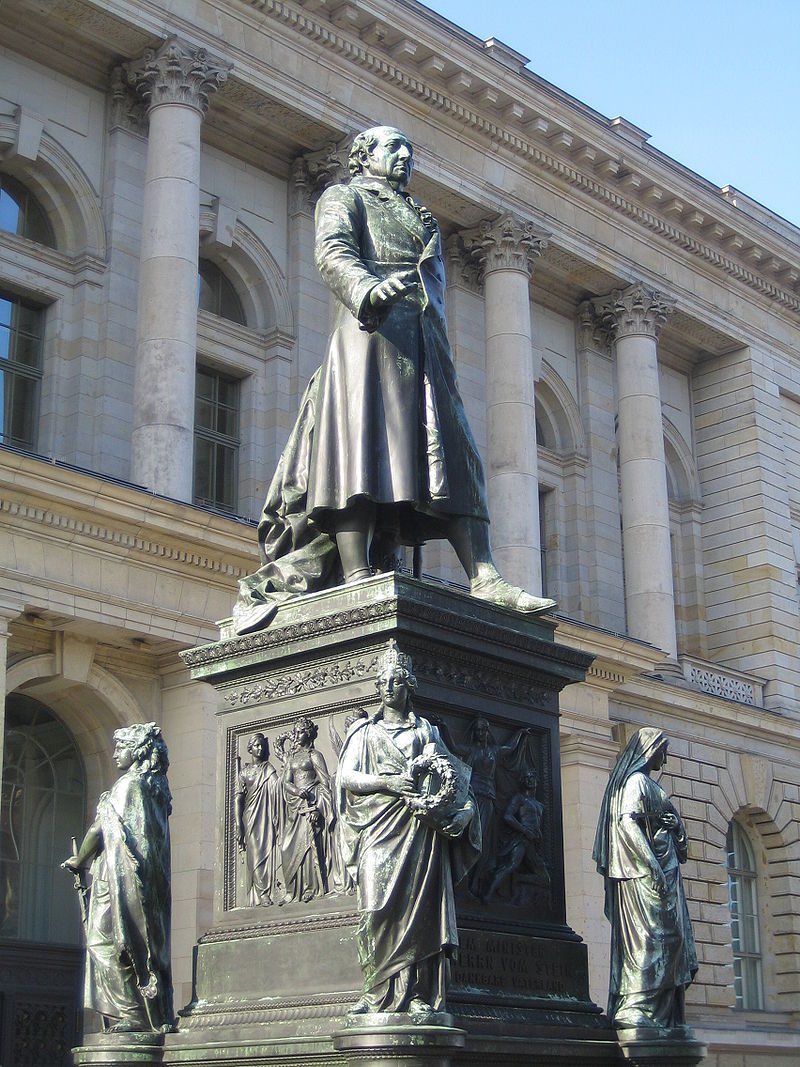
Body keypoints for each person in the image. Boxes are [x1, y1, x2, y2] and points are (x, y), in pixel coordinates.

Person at [233, 125, 556, 634]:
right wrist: (368, 288)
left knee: (454, 451)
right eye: (393, 147)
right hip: (371, 334)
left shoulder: (419, 214)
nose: (406, 155)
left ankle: (485, 574)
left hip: (426, 343)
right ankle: (358, 571)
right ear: (364, 156)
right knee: (359, 450)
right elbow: (333, 252)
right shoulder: (345, 196)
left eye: (410, 148)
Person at [335, 641, 480, 1018]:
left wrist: (464, 812)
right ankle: (374, 993)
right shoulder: (364, 733)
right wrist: (389, 784)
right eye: (382, 681)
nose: (388, 687)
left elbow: (455, 780)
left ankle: (415, 992)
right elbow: (347, 776)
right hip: (378, 830)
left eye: (396, 681)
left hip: (418, 833)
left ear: (408, 685)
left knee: (419, 913)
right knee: (373, 909)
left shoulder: (425, 732)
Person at [61, 723, 173, 1033]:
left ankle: (132, 1014)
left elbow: (102, 828)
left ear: (137, 752)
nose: (114, 755)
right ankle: (141, 1013)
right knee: (131, 945)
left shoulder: (127, 786)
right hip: (141, 883)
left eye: (121, 748)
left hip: (116, 880)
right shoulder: (155, 789)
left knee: (103, 944)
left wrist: (79, 860)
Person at [592, 728, 698, 1032]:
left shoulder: (650, 785)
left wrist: (676, 827)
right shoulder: (636, 783)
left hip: (664, 878)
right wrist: (652, 867)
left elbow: (683, 848)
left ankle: (662, 1015)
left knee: (669, 946)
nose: (665, 756)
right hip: (646, 880)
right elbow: (628, 825)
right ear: (651, 751)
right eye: (663, 749)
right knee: (652, 943)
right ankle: (636, 1007)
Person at [276, 717, 338, 902]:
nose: (297, 735)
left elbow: (324, 782)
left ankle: (310, 888)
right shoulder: (293, 758)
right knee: (286, 846)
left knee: (310, 848)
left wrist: (318, 807)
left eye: (301, 731)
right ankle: (292, 889)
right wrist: (296, 790)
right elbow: (286, 782)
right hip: (295, 808)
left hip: (310, 806)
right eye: (295, 732)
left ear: (308, 734)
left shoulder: (315, 755)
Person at [481, 771, 550, 906]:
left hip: (533, 843)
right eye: (527, 777)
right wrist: (524, 830)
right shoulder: (519, 799)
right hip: (521, 839)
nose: (530, 780)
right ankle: (487, 893)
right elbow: (508, 816)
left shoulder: (540, 806)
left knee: (545, 878)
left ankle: (518, 883)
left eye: (532, 777)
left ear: (536, 781)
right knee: (512, 864)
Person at [236, 732, 282, 906]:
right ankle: (262, 893)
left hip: (266, 815)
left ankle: (269, 890)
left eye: (262, 745)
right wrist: (239, 824)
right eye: (256, 745)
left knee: (267, 851)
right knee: (255, 854)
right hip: (250, 817)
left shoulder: (268, 769)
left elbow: (277, 787)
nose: (260, 748)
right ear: (250, 748)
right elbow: (238, 799)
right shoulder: (244, 772)